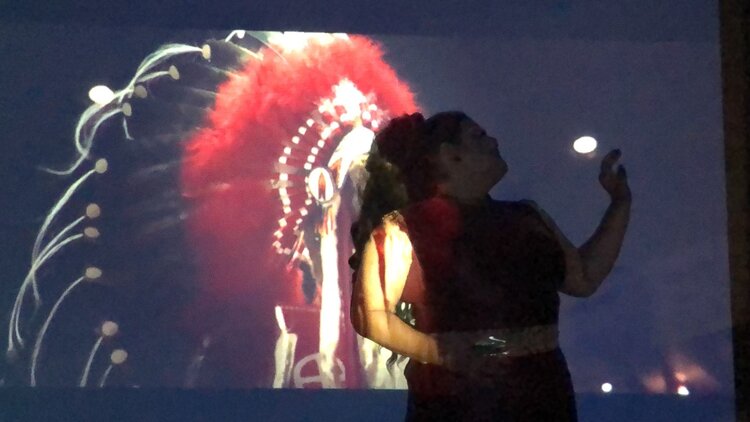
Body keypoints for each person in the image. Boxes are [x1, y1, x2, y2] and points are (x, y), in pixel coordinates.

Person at [349, 111, 631, 420]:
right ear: (449, 155)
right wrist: (445, 353)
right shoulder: (403, 229)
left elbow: (583, 278)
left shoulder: (528, 217)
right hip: (460, 403)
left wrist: (620, 204)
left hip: (544, 396)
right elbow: (370, 315)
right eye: (478, 137)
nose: (493, 141)